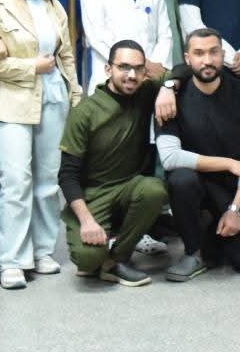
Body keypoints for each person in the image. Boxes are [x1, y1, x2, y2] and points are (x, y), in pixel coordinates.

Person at [0, 0, 81, 290]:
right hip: (13, 102)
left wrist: (75, 97)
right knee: (16, 180)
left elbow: (66, 56)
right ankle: (12, 259)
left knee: (48, 181)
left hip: (54, 99)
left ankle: (42, 251)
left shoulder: (53, 5)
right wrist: (32, 67)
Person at [58, 40, 167, 287]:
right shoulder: (85, 112)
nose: (131, 75)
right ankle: (99, 251)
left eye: (138, 68)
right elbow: (67, 175)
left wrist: (168, 87)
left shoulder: (145, 92)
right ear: (108, 69)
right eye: (124, 67)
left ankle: (116, 260)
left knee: (154, 190)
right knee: (87, 259)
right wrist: (87, 221)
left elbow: (180, 73)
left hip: (130, 188)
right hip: (93, 195)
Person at [157, 29, 240, 281]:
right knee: (181, 179)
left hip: (230, 188)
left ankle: (211, 231)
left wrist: (236, 208)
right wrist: (230, 164)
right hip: (195, 186)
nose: (207, 60)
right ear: (187, 58)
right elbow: (170, 158)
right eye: (199, 53)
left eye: (213, 52)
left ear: (223, 55)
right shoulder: (169, 99)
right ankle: (192, 251)